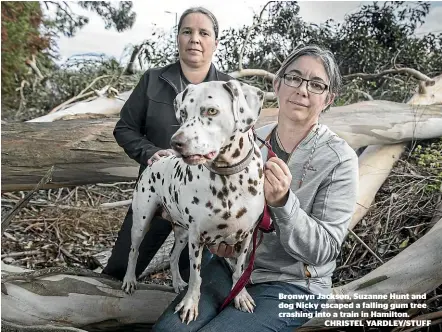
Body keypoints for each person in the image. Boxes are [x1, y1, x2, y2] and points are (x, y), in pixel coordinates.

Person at [153, 45, 359, 332]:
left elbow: (324, 251)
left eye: (316, 85)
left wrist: (284, 203)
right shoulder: (246, 139)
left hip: (294, 286)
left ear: (328, 99)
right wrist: (167, 164)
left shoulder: (339, 159)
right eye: (294, 78)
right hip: (231, 268)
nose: (302, 90)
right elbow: (201, 176)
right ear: (277, 84)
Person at [102, 7, 232, 282]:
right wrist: (150, 153)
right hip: (156, 192)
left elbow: (239, 143)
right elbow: (124, 128)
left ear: (215, 43)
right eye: (187, 31)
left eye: (203, 33)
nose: (194, 39)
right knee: (118, 272)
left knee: (195, 281)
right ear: (178, 39)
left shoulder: (229, 89)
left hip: (206, 203)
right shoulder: (152, 80)